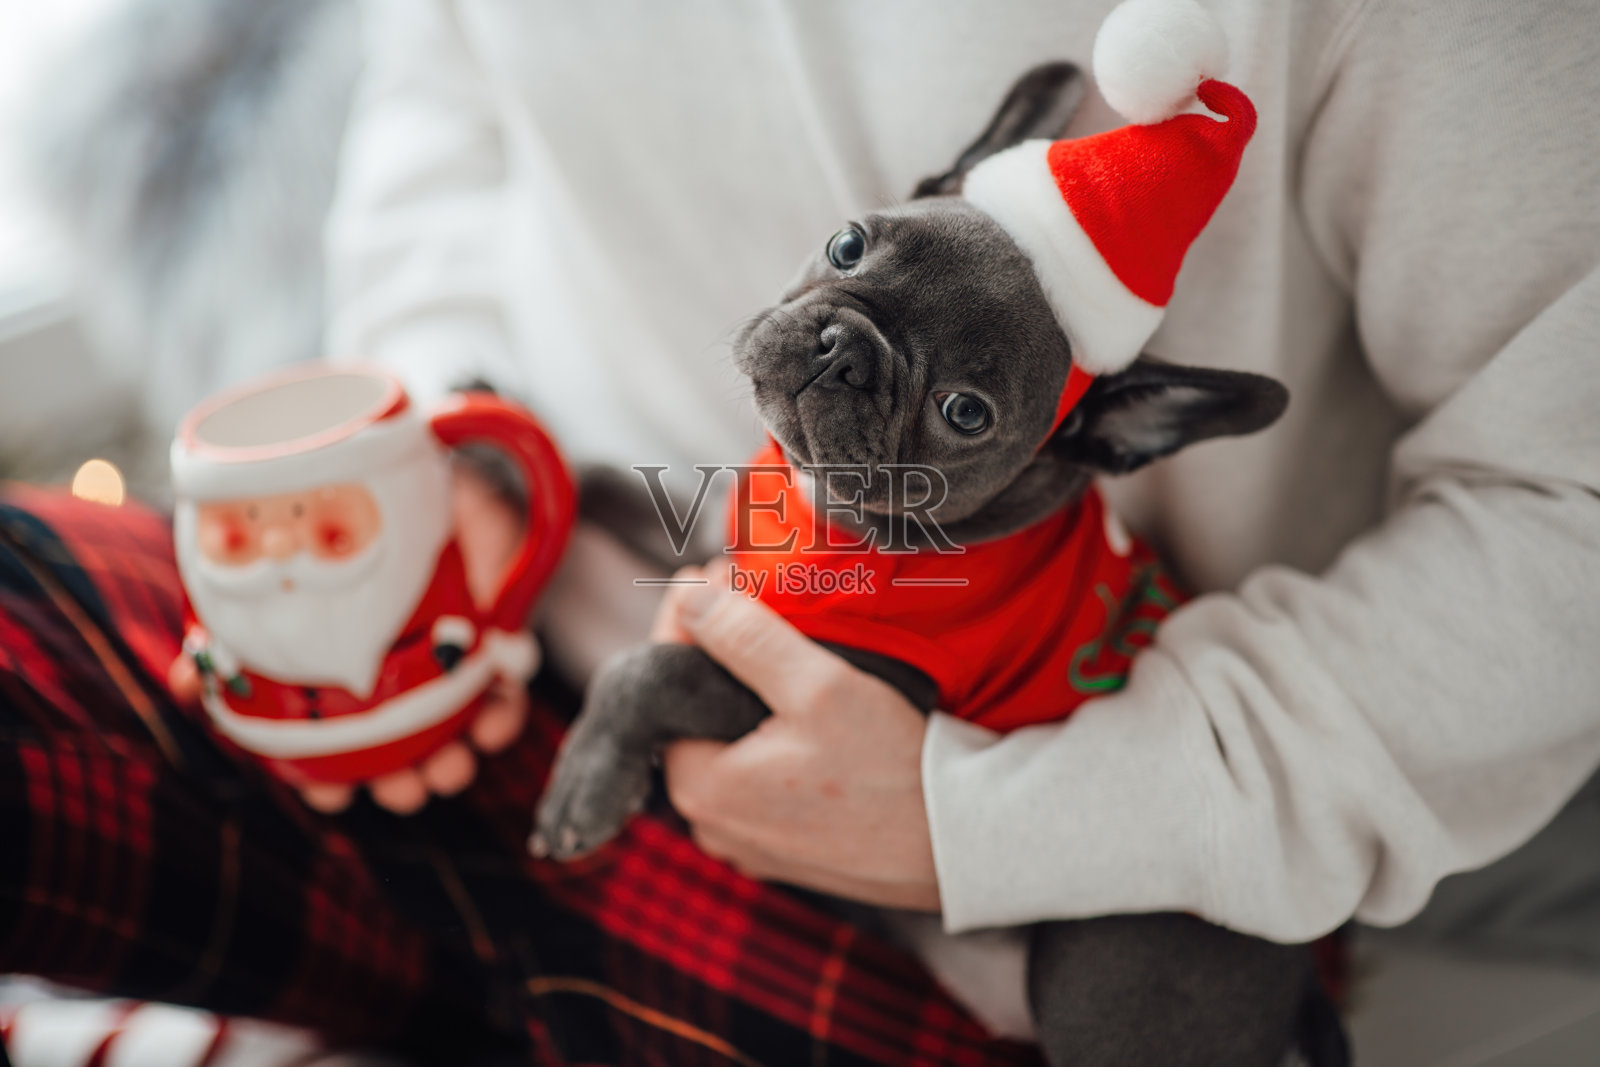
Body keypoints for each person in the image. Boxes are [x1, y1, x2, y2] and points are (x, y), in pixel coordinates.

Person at [3, 0, 1598, 1061]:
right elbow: (446, 90)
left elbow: (1567, 510)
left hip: (1045, 887)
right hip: (515, 625)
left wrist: (1000, 821)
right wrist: (453, 463)